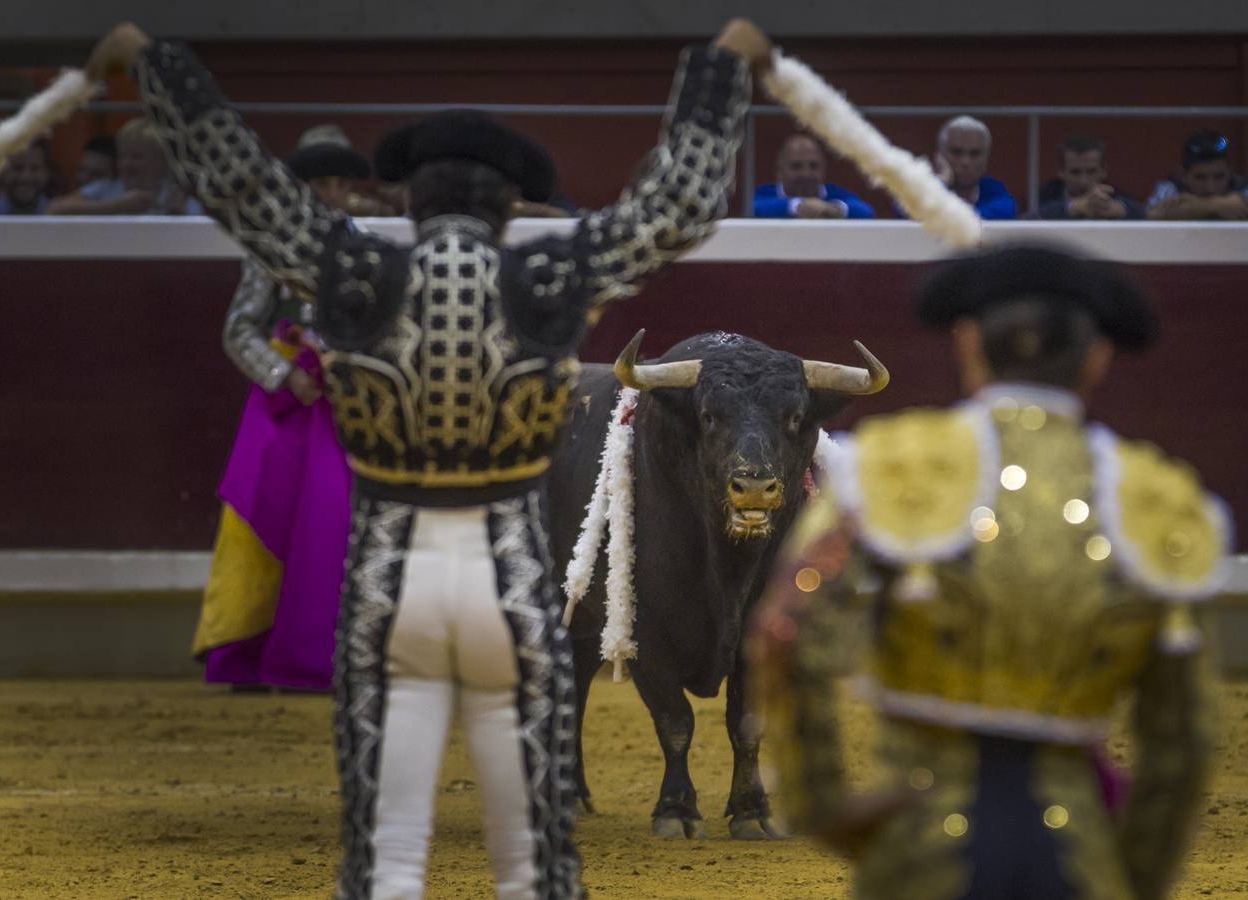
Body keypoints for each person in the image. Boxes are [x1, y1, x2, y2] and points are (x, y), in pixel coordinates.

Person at [86, 16, 769, 900]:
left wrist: (153, 63)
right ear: (507, 205)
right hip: (512, 587)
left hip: (390, 583)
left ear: (408, 199)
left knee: (387, 847)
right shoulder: (547, 281)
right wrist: (721, 70)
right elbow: (675, 205)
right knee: (535, 863)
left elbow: (240, 186)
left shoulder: (353, 274)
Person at [750, 243, 1227, 899]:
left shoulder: (891, 464)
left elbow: (786, 633)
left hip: (919, 846)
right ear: (1097, 356)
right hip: (1075, 851)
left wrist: (821, 805)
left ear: (968, 342)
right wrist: (1131, 873)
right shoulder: (1160, 501)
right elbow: (1184, 742)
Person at [192, 125, 370, 693]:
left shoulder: (364, 250)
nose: (329, 192)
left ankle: (330, 654)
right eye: (319, 181)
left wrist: (349, 363)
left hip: (342, 404)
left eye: (338, 182)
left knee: (336, 526)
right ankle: (248, 655)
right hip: (285, 407)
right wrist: (284, 372)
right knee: (261, 524)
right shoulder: (268, 245)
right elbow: (238, 329)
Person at [47, 117, 202, 214]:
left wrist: (179, 217)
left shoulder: (177, 199)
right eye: (122, 157)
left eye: (136, 157)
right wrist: (116, 207)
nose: (126, 164)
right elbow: (53, 209)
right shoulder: (106, 188)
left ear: (161, 161)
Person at [1147, 129, 1248, 220]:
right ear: (1183, 175)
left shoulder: (1245, 188)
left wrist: (1188, 206)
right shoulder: (1170, 187)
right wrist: (1224, 205)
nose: (1210, 188)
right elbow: (1150, 213)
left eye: (1219, 177)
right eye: (1200, 177)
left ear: (1230, 172)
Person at [752, 133, 875, 219]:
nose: (806, 173)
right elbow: (754, 207)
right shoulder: (765, 192)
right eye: (796, 166)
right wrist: (797, 206)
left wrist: (835, 209)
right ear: (780, 170)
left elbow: (866, 211)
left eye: (814, 166)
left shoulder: (834, 192)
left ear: (823, 169)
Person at [1034, 135, 1145, 220]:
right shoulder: (1046, 194)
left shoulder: (1114, 195)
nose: (1084, 181)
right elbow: (1030, 217)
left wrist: (1120, 210)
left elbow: (1144, 214)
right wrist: (1073, 207)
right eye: (1075, 172)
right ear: (1061, 172)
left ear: (1103, 171)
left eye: (1091, 171)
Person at [934, 115, 1015, 220]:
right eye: (956, 152)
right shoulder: (920, 189)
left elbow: (1005, 211)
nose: (965, 162)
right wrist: (941, 185)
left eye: (974, 154)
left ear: (986, 158)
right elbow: (919, 210)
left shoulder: (993, 190)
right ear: (940, 157)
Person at [0, 140, 51, 214]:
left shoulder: (61, 215)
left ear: (46, 173)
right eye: (17, 168)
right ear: (2, 171)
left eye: (35, 169)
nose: (25, 177)